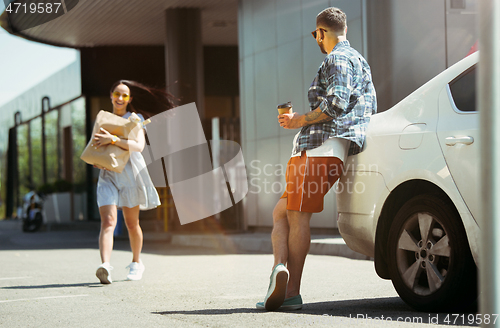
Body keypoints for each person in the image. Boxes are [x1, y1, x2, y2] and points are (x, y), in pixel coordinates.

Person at [256, 7, 377, 310]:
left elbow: (335, 102)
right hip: (327, 152)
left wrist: (299, 120)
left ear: (322, 32)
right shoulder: (360, 61)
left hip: (319, 149)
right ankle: (279, 271)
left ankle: (290, 290)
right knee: (281, 213)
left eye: (316, 35)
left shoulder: (336, 58)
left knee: (296, 216)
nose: (317, 40)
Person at [93, 80, 175, 284]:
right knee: (108, 221)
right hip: (108, 176)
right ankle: (105, 265)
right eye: (117, 94)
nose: (120, 98)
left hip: (131, 175)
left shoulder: (135, 119)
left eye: (125, 95)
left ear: (129, 99)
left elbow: (138, 146)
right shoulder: (103, 117)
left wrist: (112, 140)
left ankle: (137, 262)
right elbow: (94, 145)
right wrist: (96, 160)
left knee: (131, 223)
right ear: (111, 94)